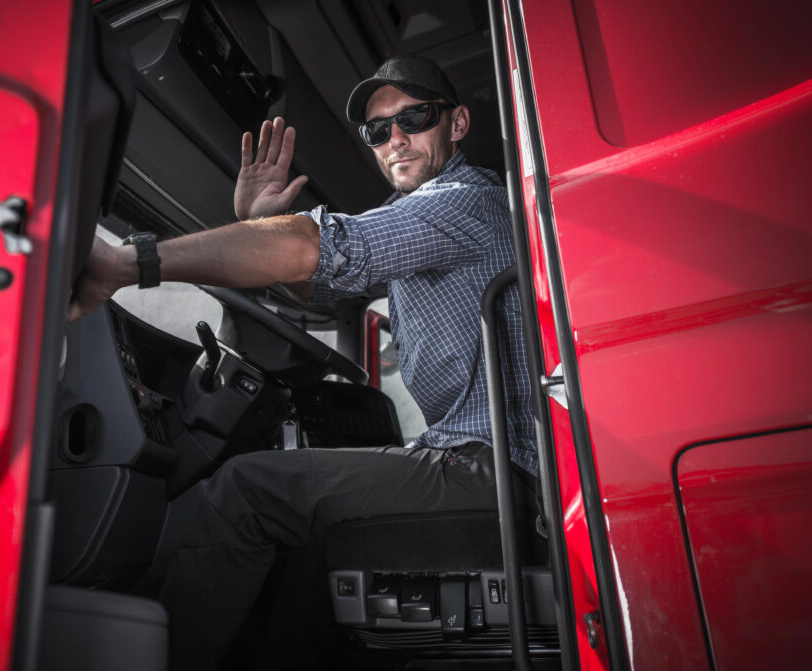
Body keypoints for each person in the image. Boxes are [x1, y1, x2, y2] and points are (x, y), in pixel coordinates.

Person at [70, 55, 536, 670]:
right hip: (481, 463)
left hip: (495, 472)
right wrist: (262, 224)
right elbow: (313, 284)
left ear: (456, 124)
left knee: (244, 489)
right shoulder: (436, 219)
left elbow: (314, 250)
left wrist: (131, 263)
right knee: (305, 529)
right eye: (377, 130)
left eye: (414, 117)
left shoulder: (462, 202)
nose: (394, 138)